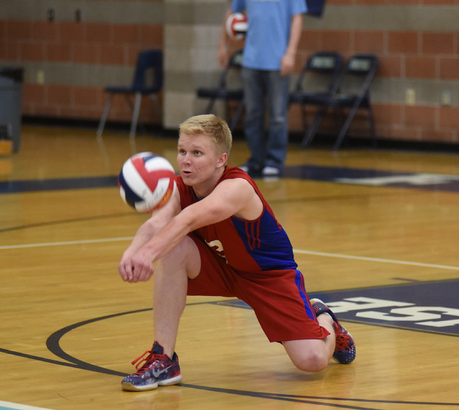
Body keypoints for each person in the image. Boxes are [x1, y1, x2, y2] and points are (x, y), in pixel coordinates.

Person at [118, 114, 355, 392]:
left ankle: (324, 317)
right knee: (174, 249)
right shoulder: (179, 185)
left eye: (197, 153)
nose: (185, 160)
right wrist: (132, 252)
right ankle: (164, 358)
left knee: (312, 361)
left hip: (268, 277)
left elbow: (189, 219)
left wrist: (147, 254)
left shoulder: (237, 187)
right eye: (182, 151)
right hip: (223, 267)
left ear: (221, 159)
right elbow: (158, 221)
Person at [218, 0, 306, 177]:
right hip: (251, 61)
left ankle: (275, 160)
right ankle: (256, 159)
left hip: (278, 61)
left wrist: (291, 53)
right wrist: (223, 45)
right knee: (253, 114)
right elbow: (232, 12)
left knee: (278, 116)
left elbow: (297, 18)